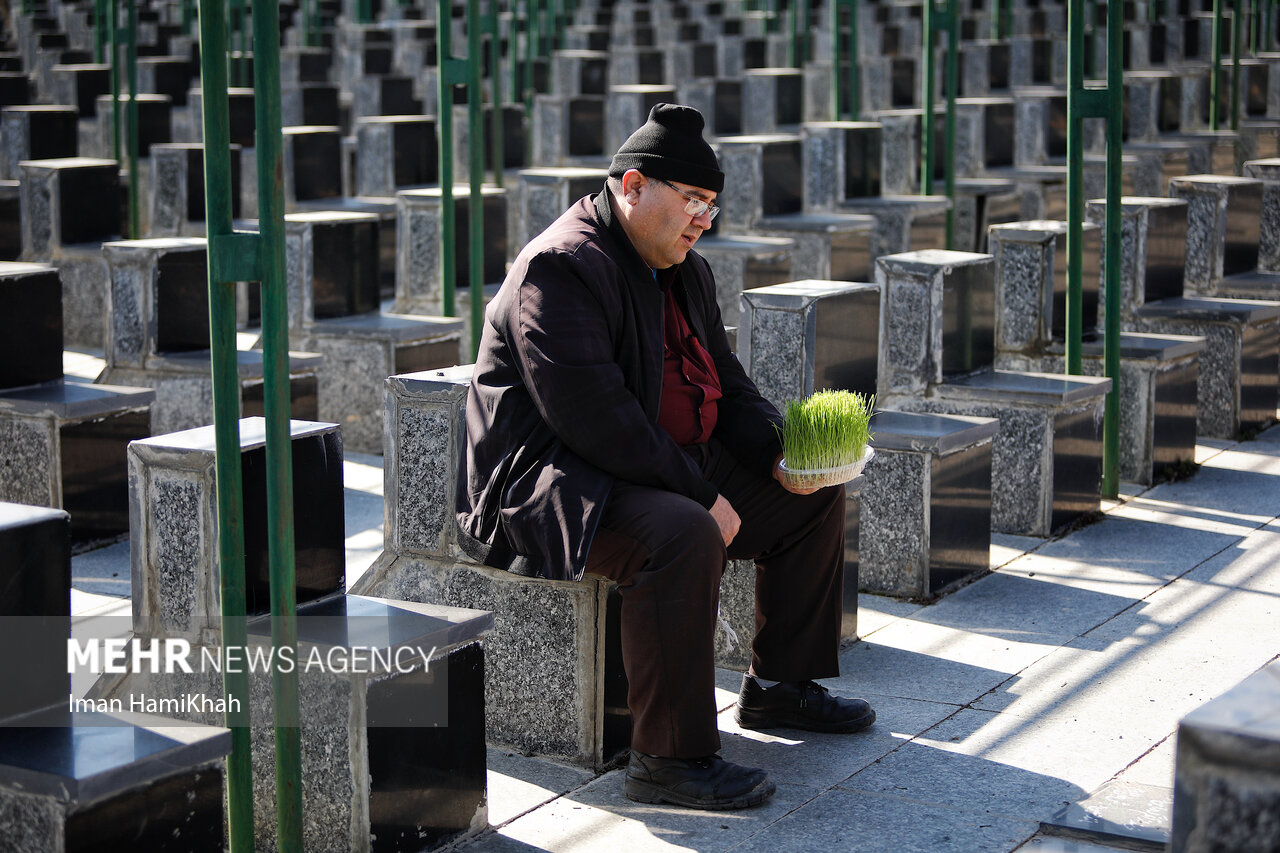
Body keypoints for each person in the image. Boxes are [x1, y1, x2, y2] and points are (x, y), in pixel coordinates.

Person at [457, 103, 875, 811]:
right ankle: (669, 759)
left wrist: (779, 453)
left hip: (653, 458)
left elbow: (727, 380)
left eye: (710, 204)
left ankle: (778, 687)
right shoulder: (560, 268)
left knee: (810, 496)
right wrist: (701, 495)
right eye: (691, 200)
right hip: (553, 479)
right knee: (682, 531)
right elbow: (596, 418)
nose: (702, 219)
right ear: (632, 186)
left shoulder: (685, 269)